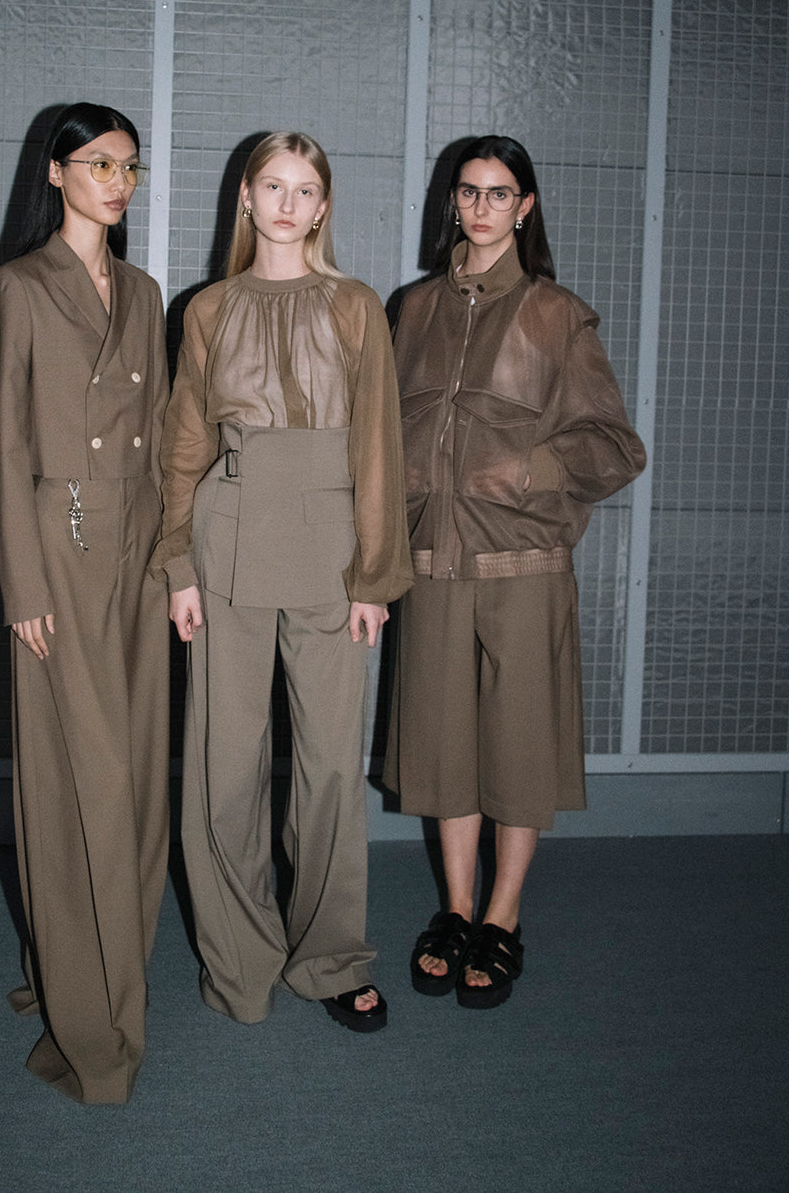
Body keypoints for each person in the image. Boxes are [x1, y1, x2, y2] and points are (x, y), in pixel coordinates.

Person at [151, 131, 412, 1033]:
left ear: (324, 205)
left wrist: (375, 577)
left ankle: (332, 958)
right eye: (273, 186)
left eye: (305, 189)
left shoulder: (356, 305)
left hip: (331, 552)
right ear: (246, 197)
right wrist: (177, 565)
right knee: (224, 767)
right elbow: (184, 443)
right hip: (225, 543)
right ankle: (239, 957)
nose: (288, 204)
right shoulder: (207, 309)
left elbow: (378, 447)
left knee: (331, 767)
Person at [384, 135, 645, 1009]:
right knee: (443, 746)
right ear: (452, 203)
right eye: (469, 192)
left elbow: (615, 447)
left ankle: (503, 915)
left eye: (500, 193)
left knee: (519, 749)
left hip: (524, 564)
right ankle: (455, 908)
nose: (482, 207)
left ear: (525, 207)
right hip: (434, 564)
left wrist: (529, 467)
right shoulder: (412, 310)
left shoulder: (556, 315)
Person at [0, 102, 170, 1102]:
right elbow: (5, 444)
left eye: (129, 167)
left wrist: (176, 563)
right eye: (98, 164)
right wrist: (21, 585)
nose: (117, 182)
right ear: (55, 173)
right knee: (76, 775)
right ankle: (94, 1021)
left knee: (133, 770)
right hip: (60, 547)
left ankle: (104, 956)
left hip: (136, 549)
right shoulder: (16, 287)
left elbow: (164, 433)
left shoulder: (142, 291)